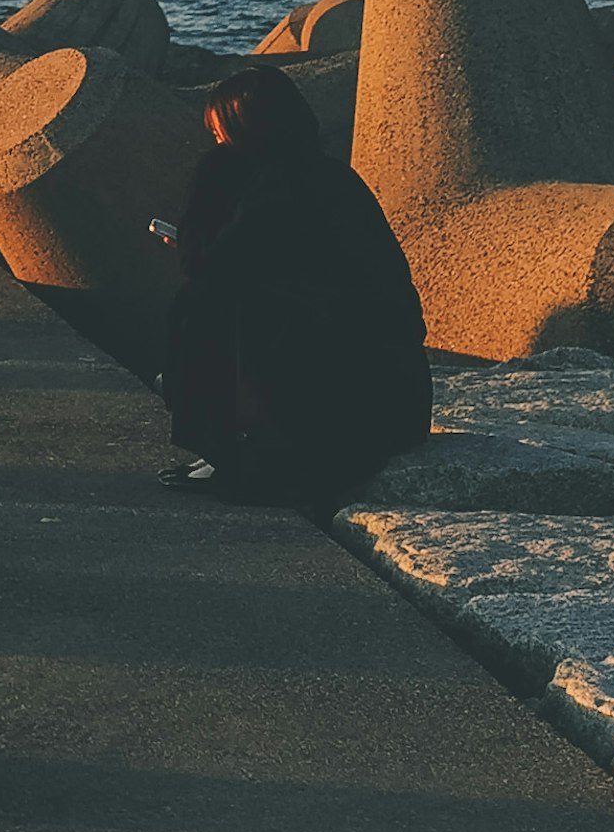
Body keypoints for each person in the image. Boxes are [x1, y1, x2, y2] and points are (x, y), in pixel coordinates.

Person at [157, 63, 430, 508]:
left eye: (221, 135)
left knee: (206, 308)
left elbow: (207, 268)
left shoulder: (276, 191)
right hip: (395, 396)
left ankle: (231, 454)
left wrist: (210, 183)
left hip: (342, 409)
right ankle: (237, 447)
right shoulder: (331, 177)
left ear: (245, 133)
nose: (217, 145)